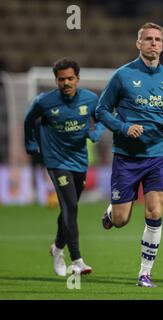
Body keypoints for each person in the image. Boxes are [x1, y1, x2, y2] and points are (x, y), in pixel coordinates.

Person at [96, 22, 163, 288]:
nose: (153, 43)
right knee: (121, 220)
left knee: (155, 211)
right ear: (138, 43)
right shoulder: (122, 76)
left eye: (157, 39)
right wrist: (123, 127)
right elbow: (101, 111)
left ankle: (145, 273)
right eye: (148, 39)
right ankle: (112, 213)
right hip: (127, 157)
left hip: (159, 155)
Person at [24, 58, 105, 276]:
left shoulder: (90, 99)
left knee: (68, 207)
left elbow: (102, 118)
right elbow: (29, 119)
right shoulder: (45, 102)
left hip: (79, 160)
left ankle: (57, 249)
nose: (66, 82)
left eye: (70, 78)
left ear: (77, 78)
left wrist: (96, 132)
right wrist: (30, 142)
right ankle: (77, 259)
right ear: (56, 81)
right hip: (56, 161)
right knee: (71, 207)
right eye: (61, 79)